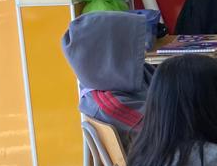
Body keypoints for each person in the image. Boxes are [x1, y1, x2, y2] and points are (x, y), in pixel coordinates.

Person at [61, 10, 151, 142]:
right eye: (129, 43)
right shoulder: (111, 105)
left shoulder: (113, 76)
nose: (144, 49)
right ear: (110, 52)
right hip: (163, 150)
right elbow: (165, 128)